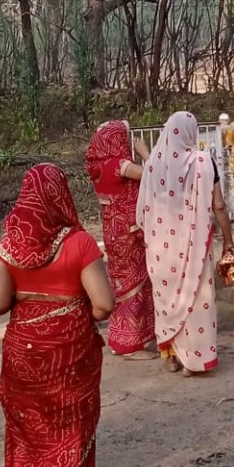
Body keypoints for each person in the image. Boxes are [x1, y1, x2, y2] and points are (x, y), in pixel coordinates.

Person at [0, 163, 113, 467]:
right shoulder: (79, 244)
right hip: (70, 357)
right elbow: (104, 305)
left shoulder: (10, 244)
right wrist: (76, 314)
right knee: (70, 435)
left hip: (23, 355)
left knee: (29, 439)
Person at [136, 111, 234, 376]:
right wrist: (229, 242)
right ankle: (194, 359)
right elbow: (219, 205)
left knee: (165, 301)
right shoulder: (203, 161)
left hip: (159, 249)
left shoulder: (153, 163)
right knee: (196, 298)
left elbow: (145, 208)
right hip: (193, 246)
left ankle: (169, 355)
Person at [85, 121, 156, 360]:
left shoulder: (98, 166)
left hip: (112, 230)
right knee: (134, 285)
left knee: (122, 283)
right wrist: (146, 154)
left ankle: (121, 338)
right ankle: (131, 344)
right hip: (129, 231)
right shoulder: (120, 165)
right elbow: (153, 175)